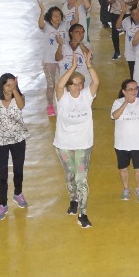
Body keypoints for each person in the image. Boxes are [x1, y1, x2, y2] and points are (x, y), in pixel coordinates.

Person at [53, 48, 99, 228]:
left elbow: (96, 81)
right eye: (74, 84)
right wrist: (72, 68)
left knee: (81, 179)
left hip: (83, 144)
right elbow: (58, 85)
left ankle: (83, 212)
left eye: (80, 83)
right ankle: (73, 200)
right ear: (69, 85)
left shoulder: (87, 96)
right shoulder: (62, 98)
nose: (78, 87)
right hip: (63, 144)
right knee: (70, 176)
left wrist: (88, 65)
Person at [0, 73, 28, 220]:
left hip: (18, 139)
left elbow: (21, 106)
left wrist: (15, 90)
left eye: (13, 84)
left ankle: (18, 193)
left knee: (18, 169)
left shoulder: (19, 98)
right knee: (2, 174)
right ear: (2, 86)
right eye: (8, 85)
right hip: (0, 141)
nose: (10, 88)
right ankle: (3, 204)